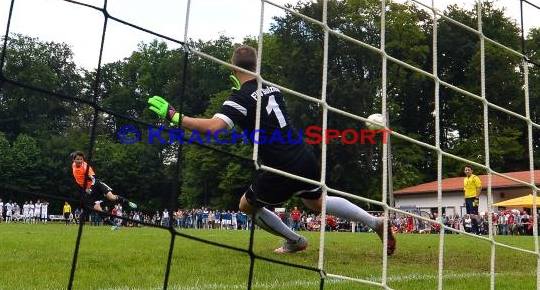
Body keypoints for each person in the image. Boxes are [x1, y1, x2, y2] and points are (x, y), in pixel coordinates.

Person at [148, 45, 396, 255]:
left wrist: (174, 116)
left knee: (247, 206)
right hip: (302, 154)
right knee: (317, 202)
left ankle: (296, 241)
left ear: (232, 68)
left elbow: (214, 128)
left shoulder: (240, 97)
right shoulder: (272, 88)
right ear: (256, 67)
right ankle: (376, 222)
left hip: (280, 165)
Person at [70, 151, 137, 227]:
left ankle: (128, 202)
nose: (79, 161)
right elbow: (72, 155)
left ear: (83, 160)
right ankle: (114, 225)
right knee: (98, 210)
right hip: (88, 189)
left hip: (96, 185)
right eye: (78, 159)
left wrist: (91, 188)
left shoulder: (86, 167)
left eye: (81, 159)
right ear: (74, 160)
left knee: (112, 198)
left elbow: (94, 178)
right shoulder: (73, 165)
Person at [463, 165, 482, 235]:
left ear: (472, 171)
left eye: (468, 170)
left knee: (473, 215)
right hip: (467, 199)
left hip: (474, 198)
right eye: (466, 170)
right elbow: (465, 190)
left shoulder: (475, 178)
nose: (467, 171)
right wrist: (464, 200)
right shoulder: (465, 179)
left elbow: (479, 188)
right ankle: (474, 231)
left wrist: (477, 198)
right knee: (470, 215)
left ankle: (478, 231)